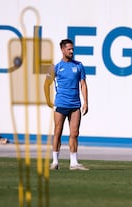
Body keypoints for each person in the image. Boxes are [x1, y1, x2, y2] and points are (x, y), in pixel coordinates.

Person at [44, 39, 89, 171]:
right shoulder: (56, 67)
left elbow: (83, 84)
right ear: (62, 50)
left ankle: (73, 163)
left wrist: (86, 102)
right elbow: (46, 84)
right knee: (57, 132)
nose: (71, 51)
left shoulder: (79, 66)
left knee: (74, 133)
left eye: (72, 49)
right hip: (61, 104)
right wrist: (48, 100)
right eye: (69, 49)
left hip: (75, 105)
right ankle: (55, 161)